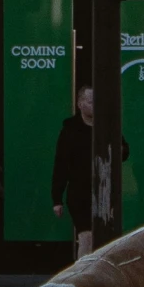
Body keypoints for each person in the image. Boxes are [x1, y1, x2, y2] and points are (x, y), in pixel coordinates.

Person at [51, 85, 95, 258]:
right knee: (86, 236)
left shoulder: (106, 126)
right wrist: (57, 198)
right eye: (90, 101)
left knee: (101, 237)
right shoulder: (70, 130)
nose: (94, 105)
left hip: (102, 189)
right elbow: (61, 164)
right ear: (80, 104)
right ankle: (82, 276)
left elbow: (123, 150)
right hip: (79, 191)